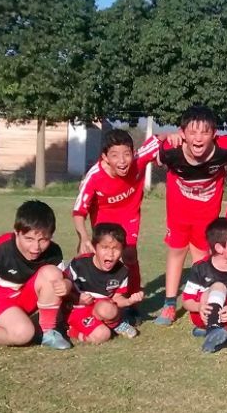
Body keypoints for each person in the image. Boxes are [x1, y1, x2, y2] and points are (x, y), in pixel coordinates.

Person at [154, 106, 227, 325]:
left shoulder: (225, 148)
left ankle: (203, 304)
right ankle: (169, 304)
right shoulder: (171, 151)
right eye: (192, 132)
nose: (198, 138)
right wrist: (163, 136)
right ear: (182, 133)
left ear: (214, 134)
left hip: (206, 216)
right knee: (176, 252)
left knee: (202, 260)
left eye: (204, 132)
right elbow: (154, 153)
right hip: (179, 212)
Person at [0, 200, 71, 352]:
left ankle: (49, 332)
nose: (36, 247)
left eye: (43, 240)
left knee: (53, 274)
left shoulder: (53, 251)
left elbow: (64, 281)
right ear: (17, 233)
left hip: (24, 298)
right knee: (24, 333)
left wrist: (67, 286)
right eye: (29, 239)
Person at [73, 129, 161, 315]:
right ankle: (92, 299)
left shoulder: (139, 159)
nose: (122, 161)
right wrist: (84, 237)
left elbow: (160, 139)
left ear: (133, 152)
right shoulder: (94, 177)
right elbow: (79, 212)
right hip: (104, 223)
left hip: (129, 217)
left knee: (129, 255)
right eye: (115, 155)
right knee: (103, 259)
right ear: (105, 157)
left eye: (126, 154)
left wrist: (174, 135)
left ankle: (132, 303)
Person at [182, 218, 227, 353]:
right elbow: (186, 300)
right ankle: (212, 328)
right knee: (219, 286)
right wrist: (199, 307)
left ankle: (219, 334)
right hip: (205, 314)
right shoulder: (200, 268)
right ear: (220, 248)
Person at [66, 223, 143, 343]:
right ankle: (72, 331)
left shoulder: (122, 271)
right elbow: (62, 290)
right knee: (103, 335)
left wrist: (129, 301)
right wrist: (77, 298)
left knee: (108, 308)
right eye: (105, 247)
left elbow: (117, 298)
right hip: (78, 309)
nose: (110, 254)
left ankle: (115, 324)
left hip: (101, 308)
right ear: (94, 247)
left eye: (116, 248)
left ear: (122, 250)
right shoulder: (79, 264)